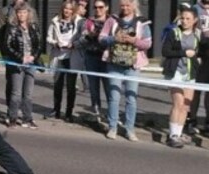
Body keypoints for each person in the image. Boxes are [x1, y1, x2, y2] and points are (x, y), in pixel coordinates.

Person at [99, 0, 151, 141]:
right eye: (122, 5)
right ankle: (112, 127)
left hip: (132, 66)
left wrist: (134, 41)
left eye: (128, 5)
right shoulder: (112, 20)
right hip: (114, 64)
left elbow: (147, 43)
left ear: (134, 6)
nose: (125, 8)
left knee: (131, 99)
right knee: (114, 97)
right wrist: (114, 38)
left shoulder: (142, 22)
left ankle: (129, 129)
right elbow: (101, 38)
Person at [161, 7, 198, 149]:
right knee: (178, 103)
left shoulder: (198, 35)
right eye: (183, 18)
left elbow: (201, 51)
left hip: (190, 74)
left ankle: (178, 132)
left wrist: (198, 58)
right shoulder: (173, 33)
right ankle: (172, 135)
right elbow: (165, 51)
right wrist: (184, 53)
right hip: (175, 72)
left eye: (188, 19)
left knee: (186, 106)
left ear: (194, 20)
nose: (185, 21)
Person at [4, 2, 43, 129]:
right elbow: (8, 46)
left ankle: (27, 118)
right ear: (16, 14)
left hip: (31, 64)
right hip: (17, 64)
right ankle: (12, 117)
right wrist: (21, 58)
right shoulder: (12, 27)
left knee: (28, 93)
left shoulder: (34, 27)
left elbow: (39, 45)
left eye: (24, 12)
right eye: (19, 12)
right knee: (16, 93)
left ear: (28, 14)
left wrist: (33, 57)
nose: (22, 15)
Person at [46, 1, 81, 122]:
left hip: (71, 57)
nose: (67, 11)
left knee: (71, 87)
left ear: (73, 11)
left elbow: (82, 38)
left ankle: (69, 112)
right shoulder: (55, 21)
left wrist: (73, 44)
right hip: (58, 56)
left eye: (70, 9)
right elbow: (48, 37)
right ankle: (56, 109)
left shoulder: (78, 21)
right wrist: (55, 43)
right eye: (66, 9)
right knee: (58, 85)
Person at [78, 0, 110, 118]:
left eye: (101, 7)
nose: (98, 10)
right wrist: (89, 36)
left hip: (107, 58)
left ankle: (111, 113)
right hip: (91, 57)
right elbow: (81, 41)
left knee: (109, 87)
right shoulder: (88, 22)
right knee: (93, 87)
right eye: (95, 7)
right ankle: (97, 112)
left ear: (106, 7)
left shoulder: (111, 21)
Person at [187, 0, 209, 135]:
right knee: (195, 90)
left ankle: (208, 123)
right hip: (199, 53)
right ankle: (192, 120)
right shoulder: (194, 8)